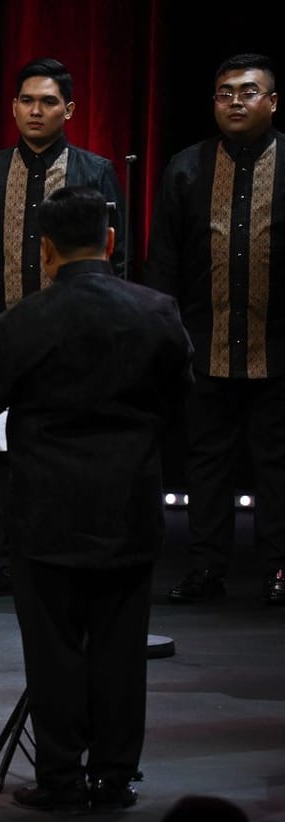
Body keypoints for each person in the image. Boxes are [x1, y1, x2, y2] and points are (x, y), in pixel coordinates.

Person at [0, 187, 192, 811]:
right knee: (121, 650)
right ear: (108, 241)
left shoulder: (24, 320)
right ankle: (114, 777)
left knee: (53, 653)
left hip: (45, 512)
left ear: (45, 251)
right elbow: (181, 403)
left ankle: (59, 780)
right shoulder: (157, 312)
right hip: (127, 507)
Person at [0, 60, 125, 598]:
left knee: (75, 458)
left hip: (81, 343)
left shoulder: (95, 171)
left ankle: (75, 561)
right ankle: (15, 561)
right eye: (26, 101)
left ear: (68, 110)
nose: (35, 111)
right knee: (10, 463)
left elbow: (118, 260)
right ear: (14, 107)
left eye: (48, 102)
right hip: (5, 339)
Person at [147, 54, 285, 606]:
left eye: (248, 92)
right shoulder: (186, 167)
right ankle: (207, 568)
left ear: (272, 102)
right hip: (203, 346)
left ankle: (279, 569)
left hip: (278, 348)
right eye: (224, 92)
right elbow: (164, 263)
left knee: (278, 465)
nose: (234, 101)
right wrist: (165, 337)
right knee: (206, 464)